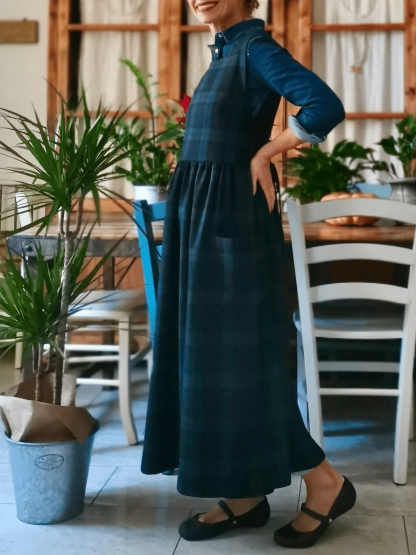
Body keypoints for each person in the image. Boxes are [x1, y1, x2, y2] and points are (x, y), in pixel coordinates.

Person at [141, 0, 357, 548]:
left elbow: (324, 106)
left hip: (232, 227)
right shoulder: (224, 54)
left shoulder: (255, 48)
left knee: (245, 364)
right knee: (210, 363)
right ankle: (242, 496)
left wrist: (267, 153)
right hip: (205, 226)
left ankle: (326, 483)